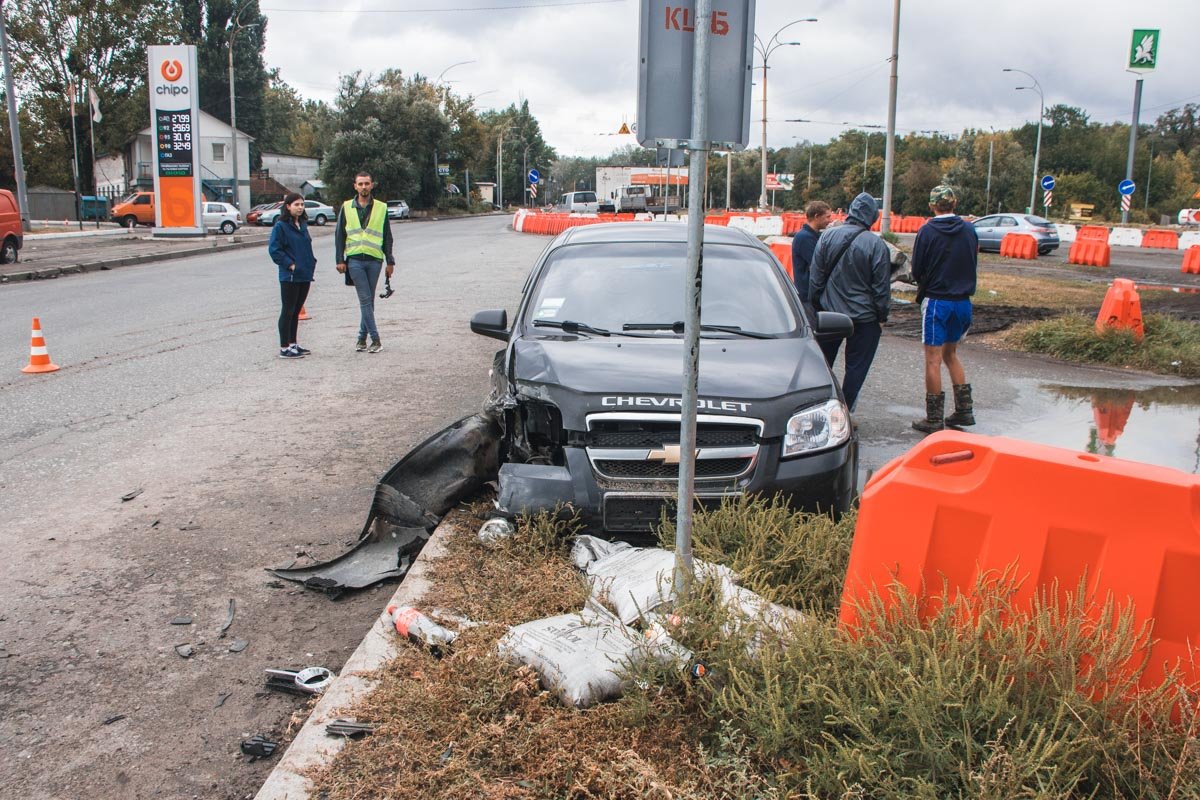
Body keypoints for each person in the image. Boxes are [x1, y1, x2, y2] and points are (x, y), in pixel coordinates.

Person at [807, 192, 891, 412]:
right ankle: (845, 409)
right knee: (857, 368)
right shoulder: (876, 245)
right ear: (872, 217)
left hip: (831, 315)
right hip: (865, 318)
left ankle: (819, 406)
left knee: (823, 364)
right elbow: (881, 288)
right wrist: (882, 316)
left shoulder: (827, 237)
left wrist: (817, 307)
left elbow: (816, 278)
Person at [910, 184, 978, 433]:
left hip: (938, 300)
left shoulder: (927, 231)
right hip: (963, 302)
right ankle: (964, 410)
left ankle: (934, 418)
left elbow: (917, 269)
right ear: (955, 203)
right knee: (951, 355)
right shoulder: (970, 230)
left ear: (932, 206)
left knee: (933, 360)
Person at [335, 171, 395, 353]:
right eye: (360, 184)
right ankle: (375, 340)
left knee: (368, 301)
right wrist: (340, 260)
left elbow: (387, 236)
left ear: (372, 185)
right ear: (355, 186)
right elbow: (339, 235)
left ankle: (361, 338)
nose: (363, 187)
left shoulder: (381, 208)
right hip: (354, 260)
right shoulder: (346, 207)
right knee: (365, 299)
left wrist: (390, 261)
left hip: (374, 260)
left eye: (366, 183)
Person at [268, 192, 317, 359]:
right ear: (288, 206)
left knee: (296, 310)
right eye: (296, 204)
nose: (300, 207)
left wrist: (311, 263)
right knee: (288, 310)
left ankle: (293, 343)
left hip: (305, 273)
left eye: (302, 205)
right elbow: (275, 250)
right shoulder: (281, 226)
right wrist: (290, 264)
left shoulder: (302, 224)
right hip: (290, 276)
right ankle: (284, 347)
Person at [790, 200, 832, 303]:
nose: (830, 220)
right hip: (807, 296)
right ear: (817, 216)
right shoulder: (805, 238)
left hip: (812, 294)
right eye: (827, 217)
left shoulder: (813, 236)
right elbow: (820, 264)